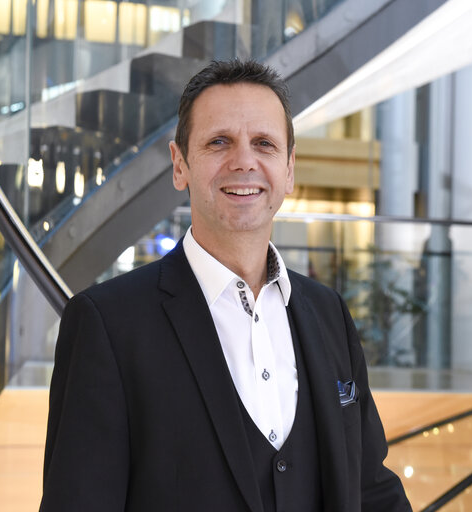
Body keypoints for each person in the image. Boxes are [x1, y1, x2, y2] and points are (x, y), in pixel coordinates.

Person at [40, 59, 411, 512]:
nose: (244, 162)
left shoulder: (328, 312)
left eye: (264, 144)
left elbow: (371, 489)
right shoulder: (107, 325)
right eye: (219, 142)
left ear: (289, 169)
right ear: (180, 166)